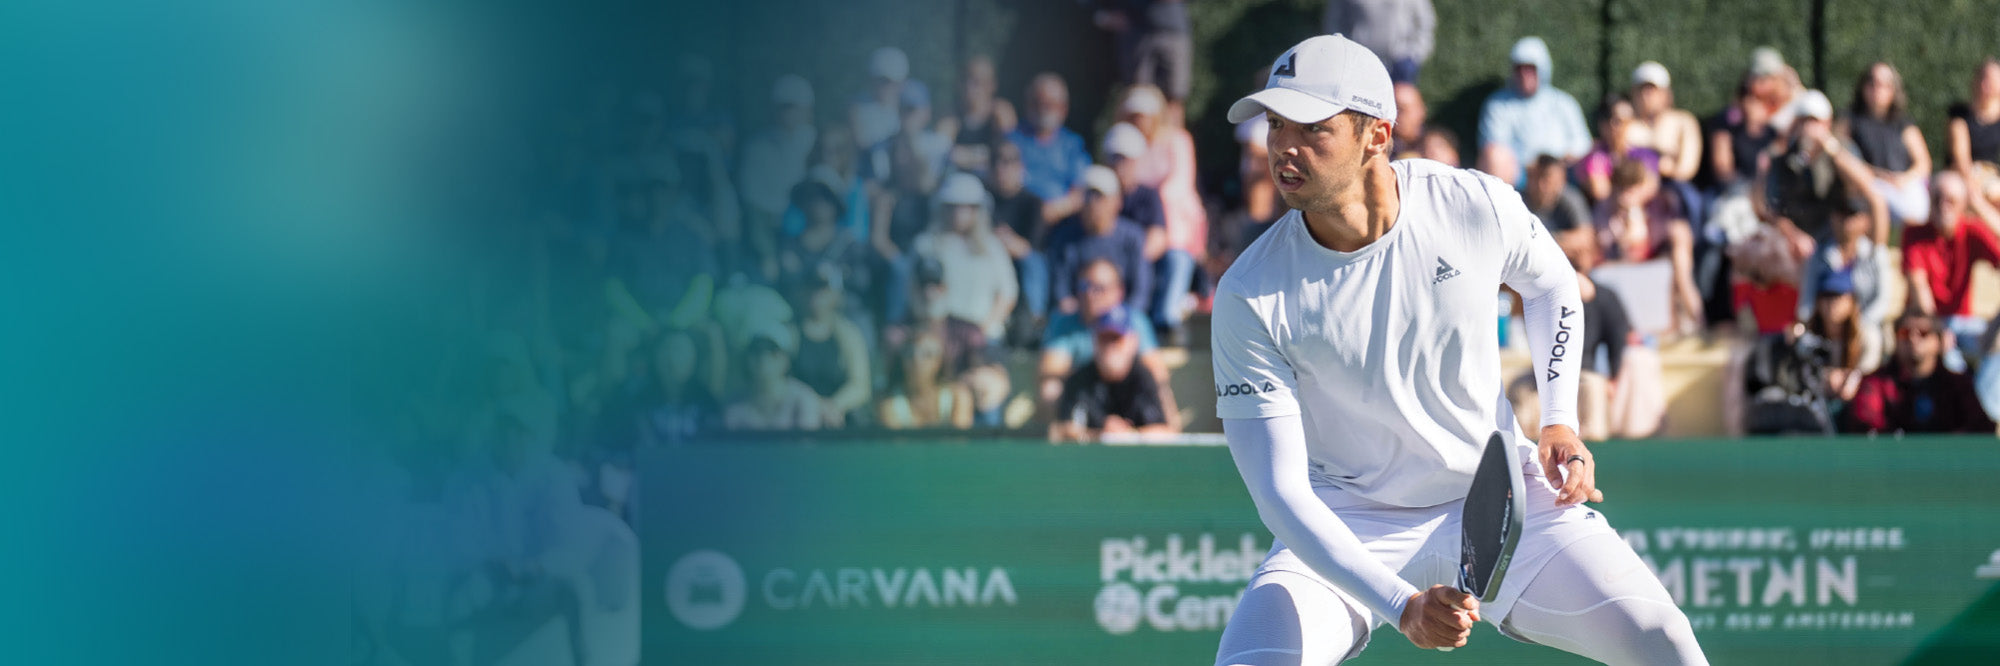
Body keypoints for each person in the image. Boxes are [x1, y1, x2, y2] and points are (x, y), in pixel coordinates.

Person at [1211, 36, 1705, 664]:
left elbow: (1553, 286)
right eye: (1276, 124)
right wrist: (1401, 605)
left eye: (1313, 127)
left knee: (1665, 643)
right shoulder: (1248, 293)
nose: (1284, 145)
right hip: (1349, 520)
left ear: (1377, 135)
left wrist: (1559, 420)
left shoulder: (1471, 203)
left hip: (1501, 498)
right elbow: (1281, 496)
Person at [1038, 259, 1180, 430]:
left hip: (1128, 390)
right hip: (1084, 390)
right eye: (1085, 286)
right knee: (1050, 388)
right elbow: (1050, 370)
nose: (1091, 294)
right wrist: (1097, 368)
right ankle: (1063, 435)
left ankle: (1167, 433)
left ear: (1118, 291)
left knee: (1160, 390)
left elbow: (1157, 370)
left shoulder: (1135, 321)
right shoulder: (1065, 322)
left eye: (1099, 288)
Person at [1118, 85, 1205, 342]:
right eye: (1133, 115)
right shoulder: (1129, 146)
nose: (1138, 121)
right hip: (1144, 225)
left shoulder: (1177, 140)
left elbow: (1177, 185)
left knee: (1176, 260)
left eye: (1143, 115)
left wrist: (1153, 214)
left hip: (1177, 225)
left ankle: (1168, 319)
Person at [1903, 171, 2000, 368]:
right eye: (1938, 198)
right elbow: (1920, 290)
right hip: (1927, 323)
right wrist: (1937, 330)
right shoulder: (1914, 234)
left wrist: (1979, 204)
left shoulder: (1971, 231)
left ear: (1963, 204)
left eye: (1951, 200)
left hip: (1964, 323)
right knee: (1950, 362)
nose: (1943, 206)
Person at [1594, 160, 1703, 333]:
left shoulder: (1660, 203)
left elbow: (1674, 234)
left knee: (1679, 259)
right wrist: (1627, 226)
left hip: (1656, 266)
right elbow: (1615, 251)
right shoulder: (1605, 211)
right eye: (1622, 188)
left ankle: (1698, 320)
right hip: (1622, 270)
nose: (1626, 195)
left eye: (1631, 188)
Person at [1846, 313, 1996, 434]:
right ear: (1896, 340)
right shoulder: (1875, 383)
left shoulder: (1959, 384)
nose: (1913, 338)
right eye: (1905, 333)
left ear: (1939, 342)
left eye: (1923, 333)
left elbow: (1979, 428)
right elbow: (1866, 425)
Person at [914, 172, 1019, 343]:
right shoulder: (925, 245)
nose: (959, 213)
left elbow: (1007, 294)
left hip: (982, 335)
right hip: (937, 334)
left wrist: (982, 331)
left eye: (966, 206)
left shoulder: (992, 247)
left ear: (977, 210)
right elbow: (912, 291)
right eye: (953, 206)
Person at [1478, 36, 1592, 188]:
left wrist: (1558, 161)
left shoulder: (1564, 103)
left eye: (1530, 68)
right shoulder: (1498, 105)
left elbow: (1582, 143)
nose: (1525, 75)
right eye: (1519, 68)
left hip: (1561, 173)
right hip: (1520, 176)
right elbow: (1494, 145)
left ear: (1543, 69)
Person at [1049, 307, 1175, 442]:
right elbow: (1061, 431)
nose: (1110, 347)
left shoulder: (1144, 378)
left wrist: (1129, 435)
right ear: (1095, 341)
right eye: (1104, 339)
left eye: (1116, 340)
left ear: (1131, 342)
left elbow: (1167, 432)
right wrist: (1101, 435)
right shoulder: (1079, 380)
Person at [737, 74, 817, 281]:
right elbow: (752, 201)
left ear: (808, 109)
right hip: (769, 227)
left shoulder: (817, 144)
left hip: (806, 225)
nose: (789, 113)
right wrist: (767, 253)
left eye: (794, 107)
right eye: (785, 107)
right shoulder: (756, 148)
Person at [1046, 166, 1152, 318]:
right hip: (1078, 318)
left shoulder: (1133, 238)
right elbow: (1061, 289)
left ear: (1117, 201)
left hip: (1123, 318)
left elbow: (1141, 290)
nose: (1093, 203)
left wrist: (1120, 316)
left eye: (1100, 197)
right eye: (1089, 196)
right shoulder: (1065, 238)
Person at [1838, 62, 1933, 225]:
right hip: (1868, 184)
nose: (1877, 89)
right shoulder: (1850, 119)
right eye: (1872, 82)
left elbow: (1923, 163)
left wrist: (1904, 179)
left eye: (1884, 85)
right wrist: (1877, 175)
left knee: (1920, 212)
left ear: (1893, 90)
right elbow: (1840, 155)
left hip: (1902, 184)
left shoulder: (1903, 123)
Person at [788, 266, 871, 429]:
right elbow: (780, 379)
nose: (816, 294)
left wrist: (834, 405)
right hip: (797, 419)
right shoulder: (789, 333)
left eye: (823, 288)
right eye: (810, 287)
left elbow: (860, 385)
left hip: (839, 419)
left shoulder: (849, 334)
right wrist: (815, 405)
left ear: (836, 294)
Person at [987, 140, 1052, 336]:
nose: (1001, 167)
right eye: (996, 161)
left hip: (1022, 264)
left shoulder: (1033, 202)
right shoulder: (983, 200)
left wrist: (1002, 241)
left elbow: (1030, 247)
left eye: (1008, 162)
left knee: (1034, 262)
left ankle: (1035, 317)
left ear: (1020, 167)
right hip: (991, 259)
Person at [1009, 73, 1093, 223]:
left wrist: (1053, 210)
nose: (1042, 109)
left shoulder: (1073, 145)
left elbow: (1079, 193)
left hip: (1058, 222)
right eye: (1037, 103)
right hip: (1016, 215)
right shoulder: (1012, 139)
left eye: (1049, 104)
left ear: (1063, 109)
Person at [1092, 0, 1194, 107]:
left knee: (1174, 97)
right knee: (1137, 98)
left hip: (1173, 31)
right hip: (1135, 32)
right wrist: (1102, 16)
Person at [722, 325, 821, 430]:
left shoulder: (804, 399)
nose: (763, 358)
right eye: (756, 351)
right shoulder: (733, 406)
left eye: (772, 352)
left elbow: (806, 444)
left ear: (786, 360)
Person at [877, 328, 974, 429]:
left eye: (927, 354)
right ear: (901, 361)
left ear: (939, 362)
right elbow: (897, 443)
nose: (917, 361)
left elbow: (959, 441)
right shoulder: (888, 403)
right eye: (910, 354)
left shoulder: (958, 396)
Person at [1626, 61, 1703, 185]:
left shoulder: (1684, 122)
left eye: (1652, 90)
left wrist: (1650, 164)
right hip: (1631, 187)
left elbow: (1686, 169)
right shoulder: (1623, 122)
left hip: (1672, 188)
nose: (1646, 95)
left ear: (1665, 93)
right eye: (1642, 89)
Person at [1321, 0, 1436, 82]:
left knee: (1400, 110)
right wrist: (1345, 51)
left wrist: (1415, 55)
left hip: (1399, 63)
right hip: (1360, 63)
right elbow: (1334, 22)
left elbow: (1424, 22)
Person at [943, 54, 1017, 177]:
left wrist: (964, 156)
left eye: (976, 82)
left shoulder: (1000, 113)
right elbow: (942, 154)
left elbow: (1008, 155)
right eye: (965, 80)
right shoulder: (950, 116)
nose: (969, 88)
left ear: (991, 85)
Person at [1577, 94, 1661, 202]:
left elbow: (1650, 187)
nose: (1627, 125)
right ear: (1607, 124)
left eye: (1629, 120)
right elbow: (1600, 192)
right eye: (1620, 121)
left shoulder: (1644, 155)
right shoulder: (1596, 157)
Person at [1947, 59, 2000, 207]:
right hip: (1961, 176)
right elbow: (1961, 158)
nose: (1986, 84)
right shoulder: (1959, 115)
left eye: (1991, 80)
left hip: (1991, 177)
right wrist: (1972, 184)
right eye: (1983, 78)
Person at [850, 46, 910, 149]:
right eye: (884, 81)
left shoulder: (908, 108)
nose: (889, 87)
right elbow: (861, 144)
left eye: (894, 82)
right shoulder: (859, 108)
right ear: (872, 80)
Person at [1525, 154, 1591, 236]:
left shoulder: (1571, 200)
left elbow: (1585, 236)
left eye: (1547, 180)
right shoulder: (1520, 200)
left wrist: (1547, 240)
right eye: (1536, 178)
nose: (1541, 186)